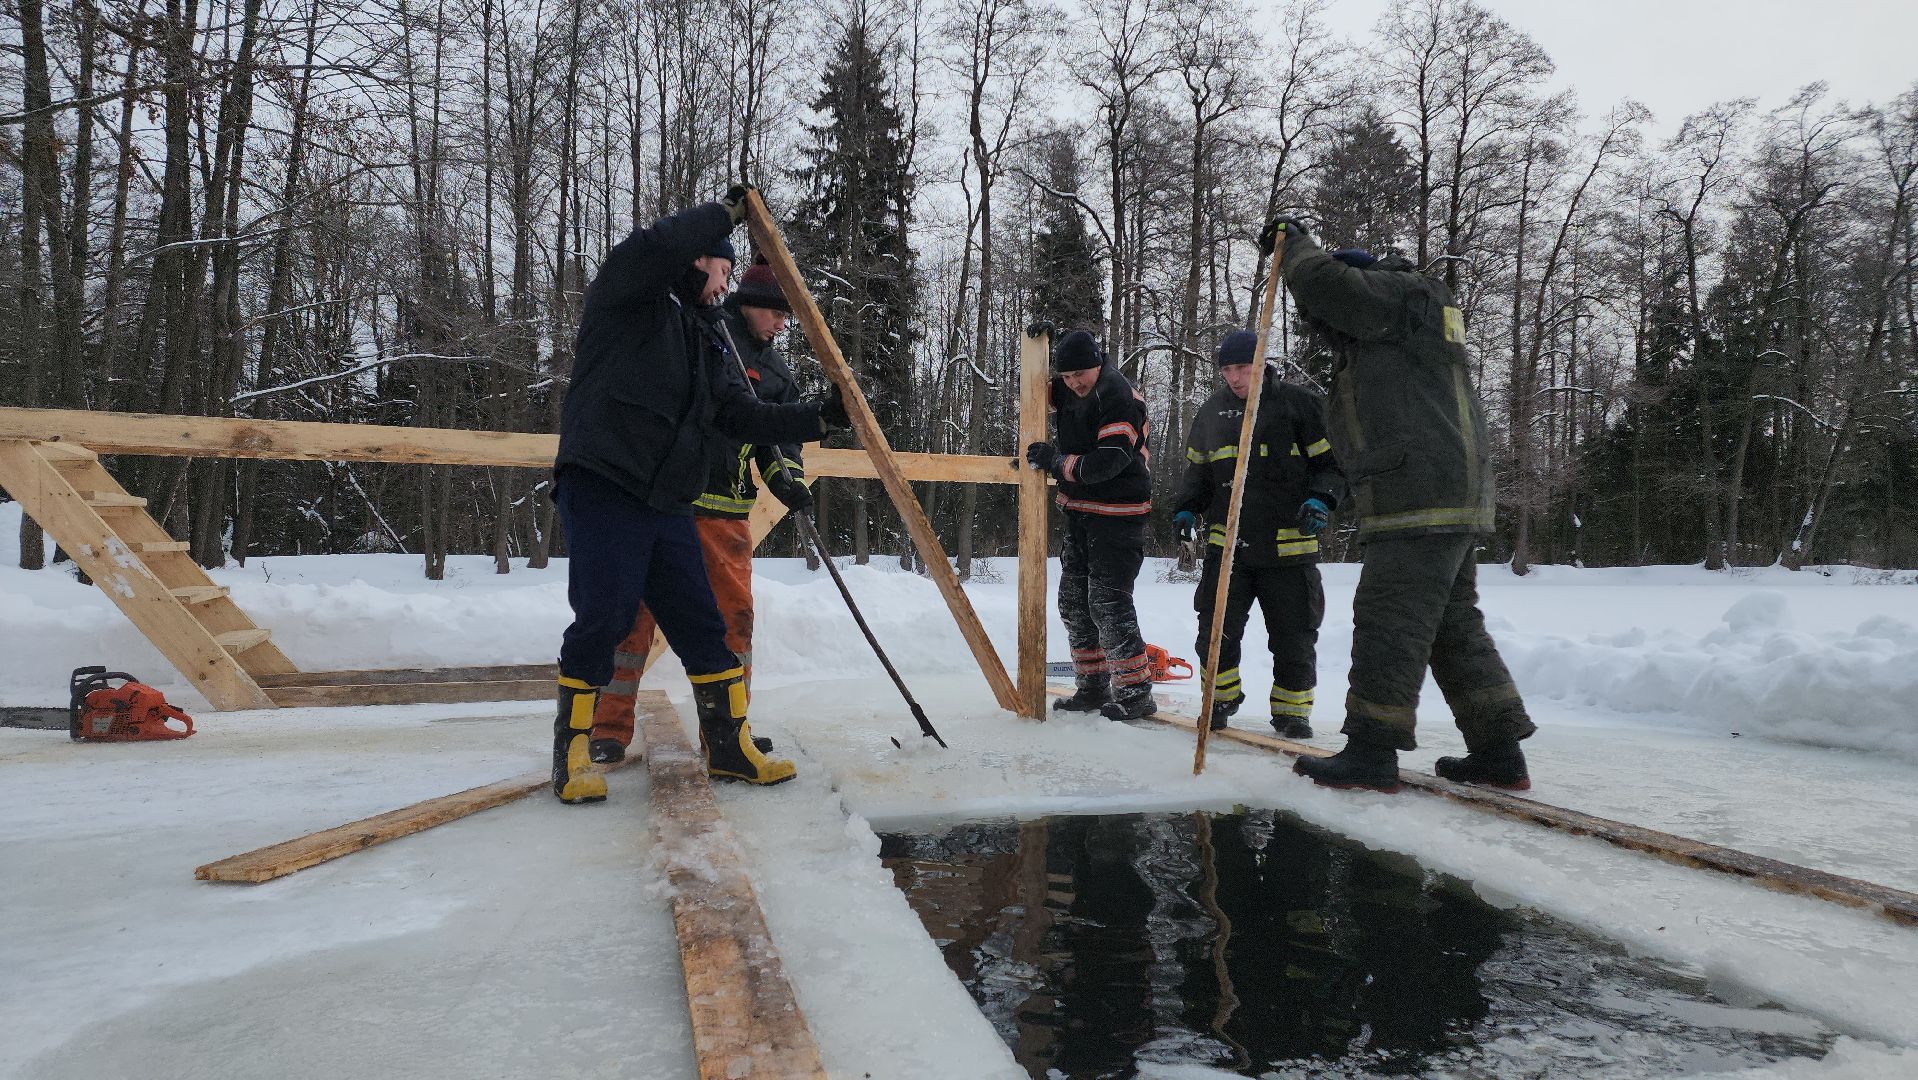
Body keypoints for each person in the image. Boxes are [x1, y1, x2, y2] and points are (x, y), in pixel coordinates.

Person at [551, 187, 849, 801]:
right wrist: (730, 212)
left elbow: (738, 413)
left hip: (668, 502)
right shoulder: (628, 298)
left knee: (703, 627)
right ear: (698, 259)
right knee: (605, 617)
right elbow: (652, 245)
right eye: (724, 268)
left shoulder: (706, 335)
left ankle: (729, 748)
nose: (727, 283)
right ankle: (574, 750)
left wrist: (816, 419)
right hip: (606, 483)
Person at [1263, 217, 1536, 794]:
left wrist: (1296, 245)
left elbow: (1326, 287)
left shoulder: (1398, 291)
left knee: (1390, 618)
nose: (1329, 330)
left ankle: (1371, 750)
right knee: (1450, 626)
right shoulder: (1410, 326)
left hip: (1419, 493)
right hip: (1444, 491)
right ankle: (1499, 751)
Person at [586, 261, 814, 766]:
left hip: (727, 517)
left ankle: (730, 733)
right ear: (743, 303)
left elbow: (778, 443)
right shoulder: (704, 338)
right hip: (666, 505)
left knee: (735, 624)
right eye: (773, 312)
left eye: (786, 316)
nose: (781, 324)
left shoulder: (776, 375)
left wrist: (788, 480)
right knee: (633, 621)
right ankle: (607, 728)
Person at [1174, 329, 1343, 739]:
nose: (1234, 377)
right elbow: (1197, 474)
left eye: (1242, 367)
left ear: (1262, 363)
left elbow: (1333, 466)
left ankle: (1292, 713)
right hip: (1227, 549)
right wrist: (1185, 508)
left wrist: (1322, 499)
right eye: (1227, 369)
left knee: (1293, 636)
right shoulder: (1211, 413)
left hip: (1288, 547)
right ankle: (1219, 700)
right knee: (1215, 632)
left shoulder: (1299, 406)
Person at [1024, 329, 1157, 722]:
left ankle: (1135, 694)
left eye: (1080, 374)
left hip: (1119, 516)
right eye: (1065, 376)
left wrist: (1054, 462)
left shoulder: (1119, 398)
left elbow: (1107, 464)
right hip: (1081, 512)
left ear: (1099, 364)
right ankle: (1093, 686)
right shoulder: (1067, 389)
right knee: (1074, 604)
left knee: (1107, 602)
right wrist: (1039, 345)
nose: (1073, 383)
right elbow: (1034, 389)